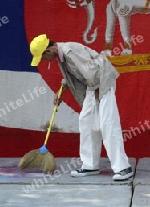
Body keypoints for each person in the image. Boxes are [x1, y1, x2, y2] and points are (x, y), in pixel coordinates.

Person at [29, 34, 133, 181]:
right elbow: (74, 73)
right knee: (86, 123)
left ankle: (123, 167)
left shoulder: (69, 52)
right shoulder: (61, 55)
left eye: (42, 57)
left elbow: (92, 71)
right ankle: (90, 165)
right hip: (92, 84)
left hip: (101, 81)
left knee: (107, 124)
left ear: (48, 50)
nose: (44, 60)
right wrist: (62, 91)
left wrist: (98, 91)